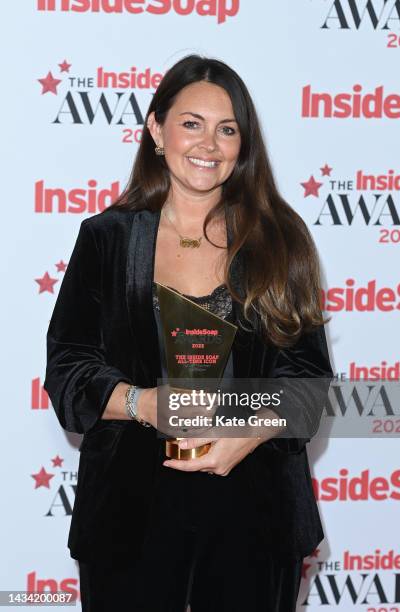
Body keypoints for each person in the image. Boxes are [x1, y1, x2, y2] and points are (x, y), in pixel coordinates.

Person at [44, 54, 334, 611]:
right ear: (156, 129)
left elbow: (310, 384)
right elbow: (68, 367)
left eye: (228, 129)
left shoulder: (278, 238)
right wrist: (144, 404)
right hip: (128, 519)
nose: (209, 144)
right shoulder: (105, 238)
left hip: (255, 514)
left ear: (243, 145)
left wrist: (243, 436)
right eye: (191, 123)